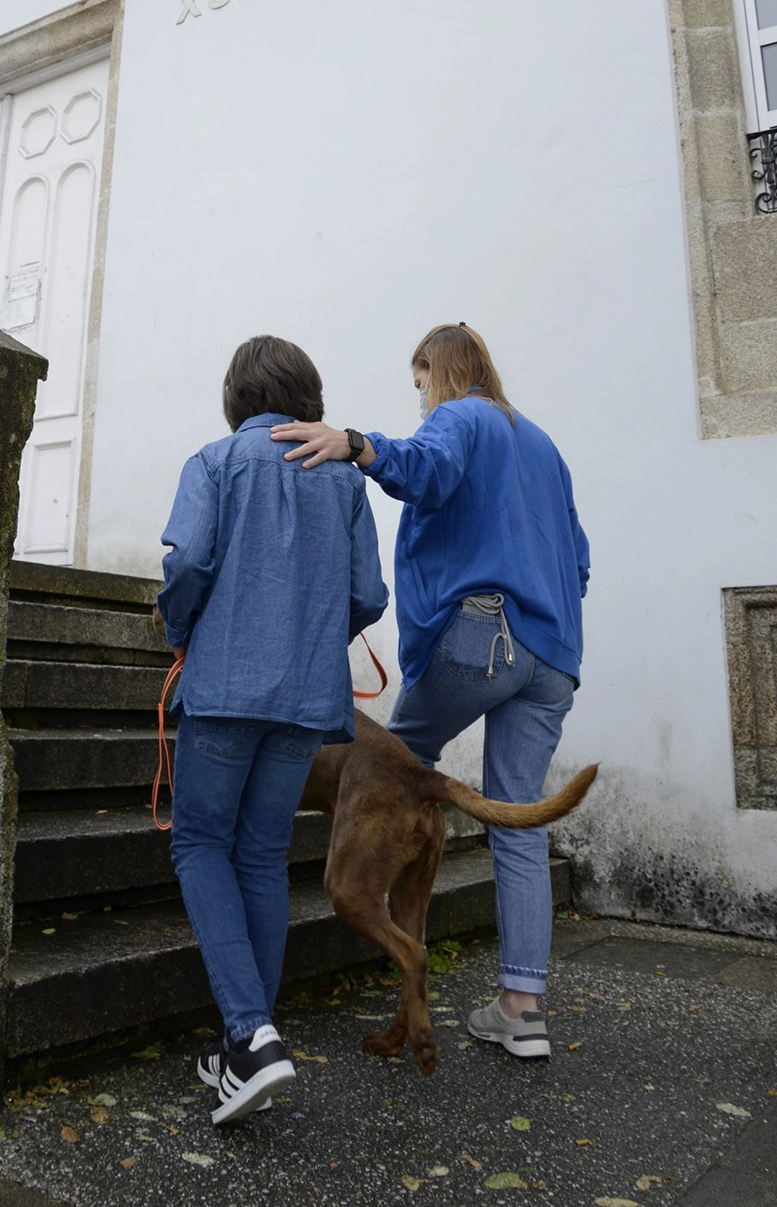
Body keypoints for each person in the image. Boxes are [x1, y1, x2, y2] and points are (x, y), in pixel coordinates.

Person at [271, 322, 589, 1062]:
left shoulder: (462, 416)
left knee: (390, 772)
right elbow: (578, 560)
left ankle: (391, 950)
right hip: (552, 656)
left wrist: (356, 443)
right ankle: (522, 1012)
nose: (419, 398)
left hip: (483, 634)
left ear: (437, 372)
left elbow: (427, 467)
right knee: (516, 819)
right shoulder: (544, 445)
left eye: (419, 383)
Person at [158, 335, 389, 1122]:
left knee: (199, 845)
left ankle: (251, 1036)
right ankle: (243, 1052)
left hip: (225, 688)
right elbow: (369, 595)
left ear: (237, 397)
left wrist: (181, 629)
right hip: (306, 699)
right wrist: (315, 631)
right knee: (261, 856)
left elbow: (187, 564)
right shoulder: (344, 480)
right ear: (306, 395)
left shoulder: (215, 462)